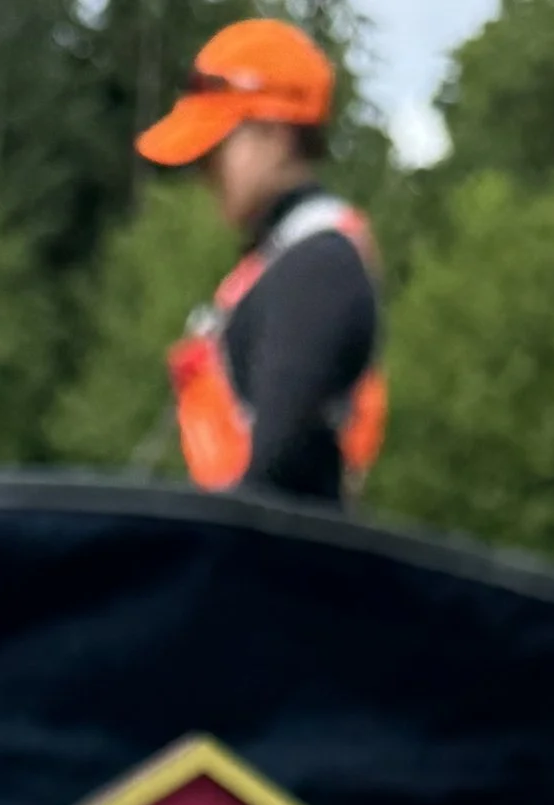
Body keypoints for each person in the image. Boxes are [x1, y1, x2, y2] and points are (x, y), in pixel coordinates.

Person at [135, 17, 385, 506]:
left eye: (216, 148)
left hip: (271, 575)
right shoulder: (284, 262)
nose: (204, 171)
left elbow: (283, 474)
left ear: (273, 134)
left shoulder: (319, 269)